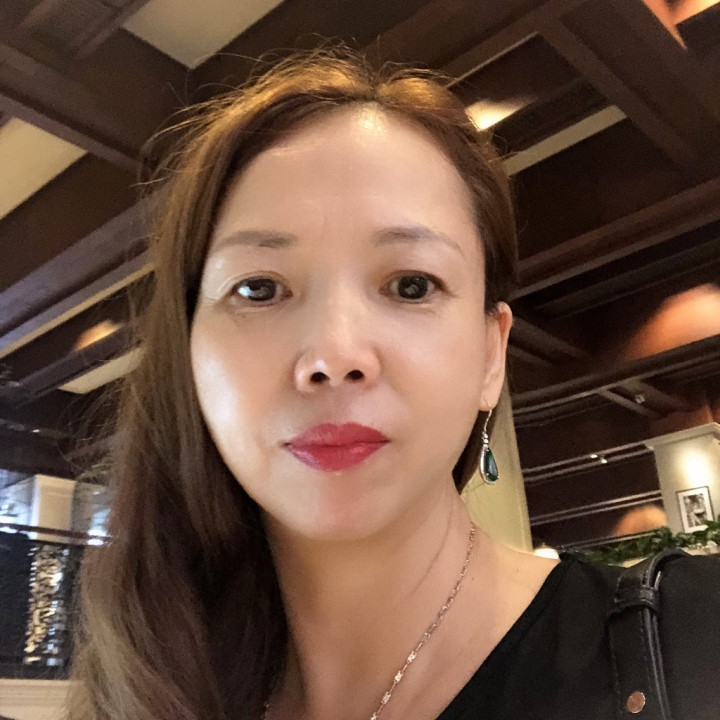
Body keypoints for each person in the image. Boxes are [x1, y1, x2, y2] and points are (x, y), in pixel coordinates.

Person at [66, 49, 720, 720]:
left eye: (411, 285)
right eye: (258, 288)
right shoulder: (144, 692)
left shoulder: (696, 643)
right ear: (188, 355)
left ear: (491, 356)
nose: (333, 355)